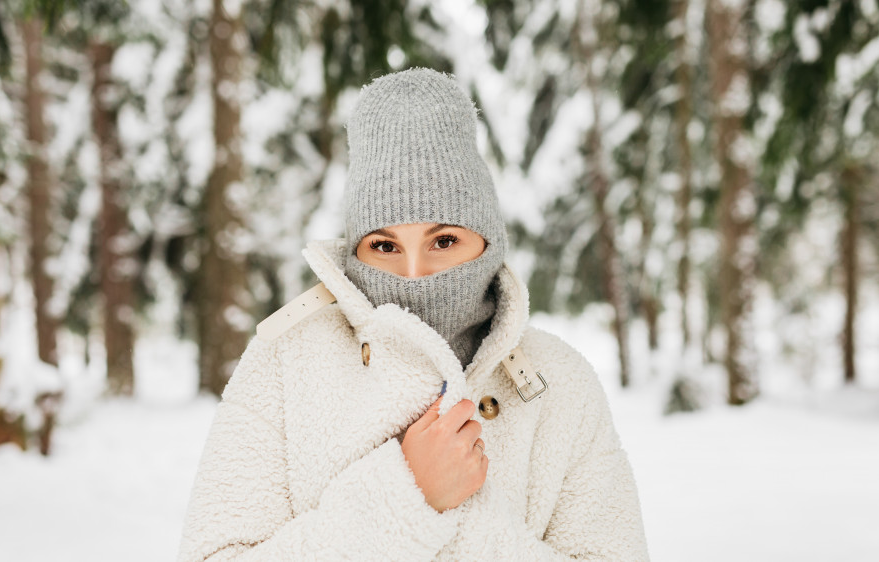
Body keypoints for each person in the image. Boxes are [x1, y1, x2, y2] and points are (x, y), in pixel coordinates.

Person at [178, 68, 649, 561]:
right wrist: (403, 499)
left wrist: (462, 522)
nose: (415, 273)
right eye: (384, 245)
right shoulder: (284, 362)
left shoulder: (560, 384)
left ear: (487, 240)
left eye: (443, 241)